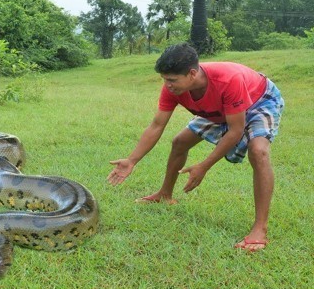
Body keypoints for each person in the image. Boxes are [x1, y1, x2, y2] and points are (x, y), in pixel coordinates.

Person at [107, 43, 284, 252]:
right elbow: (157, 125)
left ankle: (259, 229)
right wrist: (132, 160)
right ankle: (165, 194)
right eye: (164, 79)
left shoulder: (228, 79)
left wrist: (204, 165)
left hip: (259, 100)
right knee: (179, 142)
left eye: (172, 80)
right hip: (220, 108)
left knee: (259, 151)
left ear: (192, 73)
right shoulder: (173, 88)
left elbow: (235, 131)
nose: (168, 85)